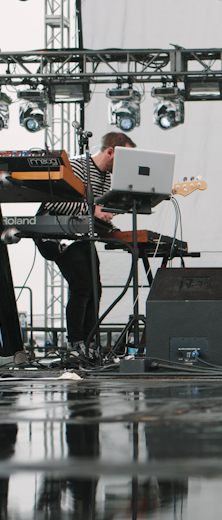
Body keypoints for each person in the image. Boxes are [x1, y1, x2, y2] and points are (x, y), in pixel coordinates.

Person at [35, 132, 136, 358]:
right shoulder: (77, 167)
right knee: (81, 287)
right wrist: (95, 211)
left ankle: (89, 344)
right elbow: (54, 202)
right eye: (125, 157)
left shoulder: (107, 179)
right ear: (111, 151)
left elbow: (92, 213)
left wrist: (107, 217)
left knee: (95, 289)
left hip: (81, 236)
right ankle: (75, 345)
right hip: (55, 235)